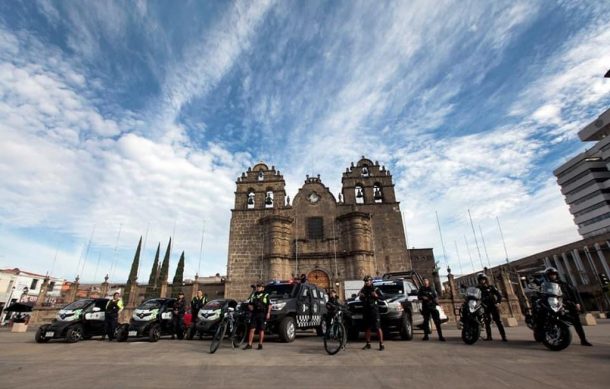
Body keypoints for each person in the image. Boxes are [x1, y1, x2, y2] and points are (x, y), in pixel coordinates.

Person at [545, 267, 592, 346]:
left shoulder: (564, 284)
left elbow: (573, 293)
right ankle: (559, 338)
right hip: (556, 304)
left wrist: (577, 303)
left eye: (553, 274)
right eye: (550, 275)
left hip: (568, 304)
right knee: (555, 320)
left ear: (556, 275)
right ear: (548, 276)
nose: (552, 276)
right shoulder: (547, 286)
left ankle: (583, 340)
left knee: (577, 322)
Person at [477, 273, 507, 342]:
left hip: (493, 305)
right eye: (481, 280)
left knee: (498, 321)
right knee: (487, 322)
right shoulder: (478, 288)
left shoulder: (491, 287)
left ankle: (503, 336)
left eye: (483, 279)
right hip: (485, 306)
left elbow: (499, 295)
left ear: (486, 280)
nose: (482, 281)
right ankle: (489, 336)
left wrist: (498, 302)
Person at [358, 275, 384, 351]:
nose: (367, 282)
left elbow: (382, 297)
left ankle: (381, 344)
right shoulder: (363, 289)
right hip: (366, 310)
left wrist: (376, 295)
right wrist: (361, 296)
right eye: (366, 281)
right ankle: (368, 344)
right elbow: (360, 298)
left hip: (374, 311)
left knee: (378, 327)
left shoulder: (375, 289)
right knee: (367, 328)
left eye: (369, 281)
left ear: (371, 281)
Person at [244, 282, 271, 350]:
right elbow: (250, 303)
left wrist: (268, 313)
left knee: (261, 330)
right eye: (258, 287)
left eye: (259, 287)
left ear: (263, 288)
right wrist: (250, 307)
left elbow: (269, 305)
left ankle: (260, 344)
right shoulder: (254, 295)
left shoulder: (266, 295)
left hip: (262, 314)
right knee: (252, 329)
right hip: (254, 314)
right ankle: (249, 344)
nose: (258, 288)